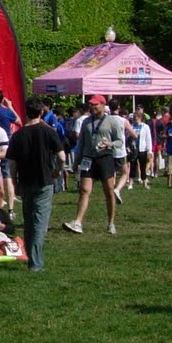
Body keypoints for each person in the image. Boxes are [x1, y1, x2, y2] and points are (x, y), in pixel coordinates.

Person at [7, 97, 68, 271]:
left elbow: (12, 164)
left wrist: (14, 181)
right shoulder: (49, 132)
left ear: (25, 112)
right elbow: (62, 157)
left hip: (25, 181)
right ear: (41, 112)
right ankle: (35, 262)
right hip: (44, 181)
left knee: (28, 220)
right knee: (40, 222)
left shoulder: (18, 135)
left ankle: (31, 258)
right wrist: (58, 171)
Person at [64, 95, 125, 235]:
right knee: (84, 190)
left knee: (109, 191)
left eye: (96, 105)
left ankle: (111, 223)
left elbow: (119, 141)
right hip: (88, 159)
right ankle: (78, 222)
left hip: (105, 158)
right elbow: (81, 143)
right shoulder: (86, 122)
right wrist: (76, 162)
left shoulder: (112, 121)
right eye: (91, 105)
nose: (93, 107)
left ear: (103, 105)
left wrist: (109, 144)